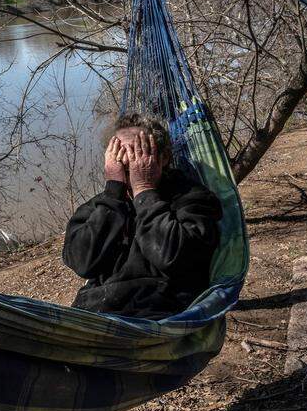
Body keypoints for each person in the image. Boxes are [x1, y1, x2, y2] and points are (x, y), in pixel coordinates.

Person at [61, 113, 223, 319]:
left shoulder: (193, 199)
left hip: (160, 315)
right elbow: (82, 263)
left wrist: (144, 191)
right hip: (95, 315)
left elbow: (172, 257)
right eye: (119, 154)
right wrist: (113, 194)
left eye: (138, 152)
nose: (128, 161)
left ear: (163, 158)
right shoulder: (101, 205)